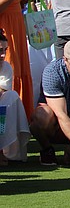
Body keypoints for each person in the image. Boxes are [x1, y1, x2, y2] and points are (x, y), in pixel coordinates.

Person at [0, 0, 32, 117]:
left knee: (20, 66)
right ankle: (11, 117)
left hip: (16, 24)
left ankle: (22, 118)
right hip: (5, 28)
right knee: (10, 66)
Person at [0, 32, 30, 164]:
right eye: (0, 50)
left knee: (12, 97)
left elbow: (2, 92)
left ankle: (7, 150)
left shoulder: (6, 67)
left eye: (5, 50)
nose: (3, 55)